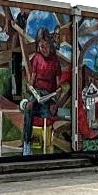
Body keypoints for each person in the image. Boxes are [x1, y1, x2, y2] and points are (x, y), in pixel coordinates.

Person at [22, 28, 64, 156]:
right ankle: (27, 144)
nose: (43, 49)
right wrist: (30, 87)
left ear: (50, 45)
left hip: (49, 97)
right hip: (37, 94)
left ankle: (25, 105)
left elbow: (59, 87)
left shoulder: (55, 61)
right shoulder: (36, 58)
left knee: (40, 110)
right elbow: (32, 80)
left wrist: (57, 97)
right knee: (29, 107)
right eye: (41, 47)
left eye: (45, 46)